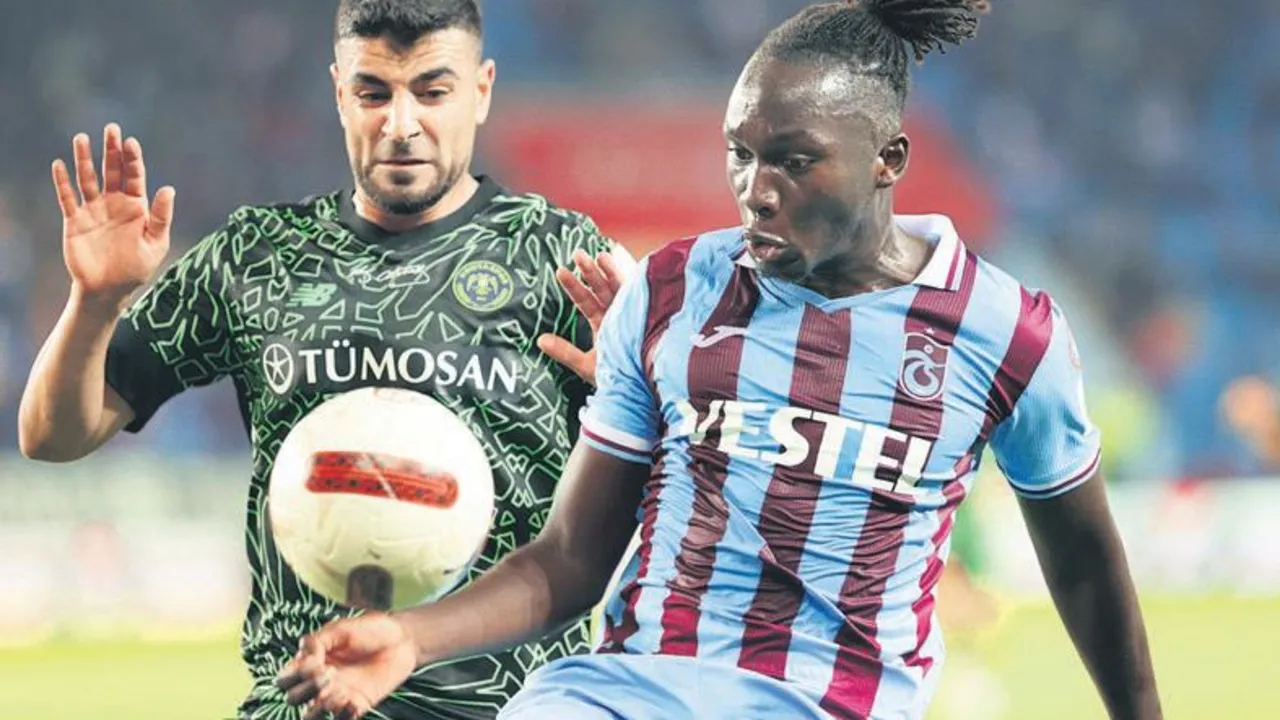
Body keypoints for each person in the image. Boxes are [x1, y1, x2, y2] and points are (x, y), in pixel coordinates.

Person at [277, 1, 1163, 718]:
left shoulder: (1007, 334)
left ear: (888, 159)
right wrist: (414, 637)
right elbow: (570, 558)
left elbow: (1084, 562)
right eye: (740, 155)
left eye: (793, 162)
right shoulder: (671, 291)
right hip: (616, 695)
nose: (755, 191)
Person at [17, 1, 631, 718]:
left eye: (432, 92)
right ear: (339, 93)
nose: (401, 124)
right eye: (374, 93)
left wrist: (633, 392)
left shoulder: (562, 257)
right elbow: (51, 436)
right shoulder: (257, 255)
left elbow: (659, 502)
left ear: (482, 90)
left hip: (511, 707)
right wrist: (94, 302)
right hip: (304, 703)